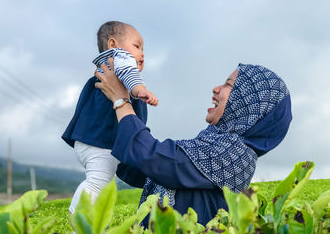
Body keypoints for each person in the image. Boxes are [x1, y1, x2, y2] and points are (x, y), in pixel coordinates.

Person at [95, 61, 292, 225]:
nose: (216, 89)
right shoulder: (214, 144)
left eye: (228, 85)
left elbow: (157, 160)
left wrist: (121, 101)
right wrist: (122, 97)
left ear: (247, 103)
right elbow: (142, 167)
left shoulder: (236, 153)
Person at [62, 21, 158, 214]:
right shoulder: (120, 59)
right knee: (97, 183)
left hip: (90, 139)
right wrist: (141, 90)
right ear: (113, 44)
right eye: (137, 46)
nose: (142, 53)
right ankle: (78, 222)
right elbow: (130, 74)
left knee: (103, 184)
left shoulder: (107, 66)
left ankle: (92, 222)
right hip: (101, 143)